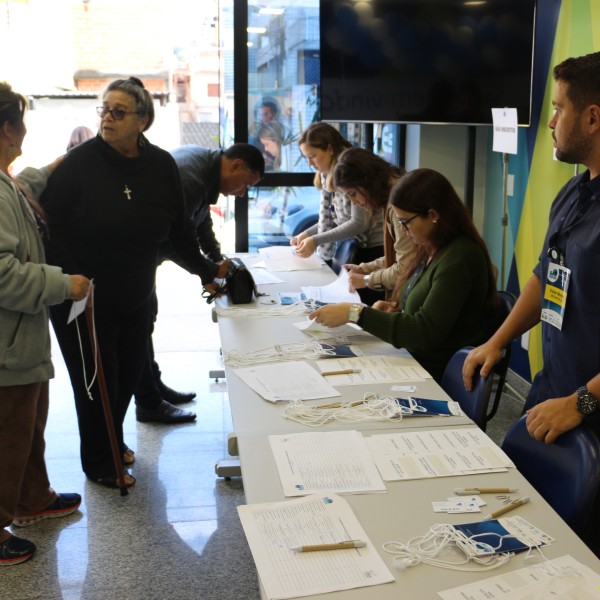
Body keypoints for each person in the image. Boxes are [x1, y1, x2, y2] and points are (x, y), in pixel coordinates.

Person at [40, 77, 228, 488]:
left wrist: (207, 270)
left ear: (142, 120)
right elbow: (49, 229)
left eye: (118, 112)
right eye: (103, 110)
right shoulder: (79, 163)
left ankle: (113, 439)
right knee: (96, 382)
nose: (107, 118)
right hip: (83, 298)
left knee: (125, 375)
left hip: (137, 292)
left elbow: (180, 232)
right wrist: (69, 279)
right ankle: (101, 464)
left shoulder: (161, 166)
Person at [463, 51, 600, 444]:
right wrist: (497, 340)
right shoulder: (573, 192)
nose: (552, 123)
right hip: (551, 393)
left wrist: (580, 404)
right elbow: (545, 278)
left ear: (592, 118)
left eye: (559, 109)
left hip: (586, 414)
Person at [0, 82, 90, 565]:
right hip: (6, 345)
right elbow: (2, 273)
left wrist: (57, 166)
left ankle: (33, 498)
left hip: (20, 343)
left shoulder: (6, 179)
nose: (24, 134)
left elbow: (22, 188)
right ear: (8, 128)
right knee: (9, 433)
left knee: (29, 426)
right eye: (21, 124)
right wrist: (63, 284)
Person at [309, 168, 498, 383]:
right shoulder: (429, 246)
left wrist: (356, 313)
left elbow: (423, 332)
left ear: (433, 216)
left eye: (405, 222)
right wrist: (395, 310)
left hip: (439, 374)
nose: (404, 229)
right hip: (413, 360)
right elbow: (421, 306)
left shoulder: (459, 258)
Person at [133, 143, 265, 423]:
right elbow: (176, 239)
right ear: (237, 165)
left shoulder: (204, 166)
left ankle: (153, 388)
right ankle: (148, 402)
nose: (242, 192)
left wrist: (217, 260)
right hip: (133, 257)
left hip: (145, 253)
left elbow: (200, 222)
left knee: (145, 321)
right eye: (245, 184)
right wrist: (208, 272)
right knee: (139, 325)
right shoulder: (193, 178)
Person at [292, 123, 383, 278]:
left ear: (329, 149)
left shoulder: (350, 170)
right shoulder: (327, 174)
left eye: (312, 156)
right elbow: (334, 218)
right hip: (359, 247)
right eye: (306, 157)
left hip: (375, 249)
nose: (310, 163)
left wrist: (315, 240)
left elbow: (359, 223)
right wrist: (307, 234)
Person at [328, 147, 412, 305]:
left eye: (353, 193)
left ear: (367, 182)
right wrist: (365, 268)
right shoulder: (390, 195)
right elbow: (401, 257)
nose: (353, 202)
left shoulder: (398, 201)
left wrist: (366, 280)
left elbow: (405, 268)